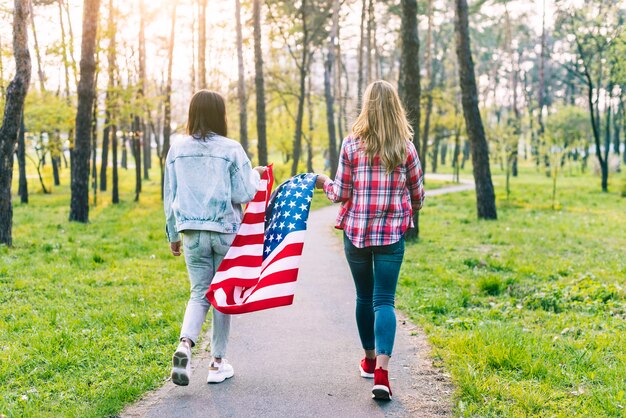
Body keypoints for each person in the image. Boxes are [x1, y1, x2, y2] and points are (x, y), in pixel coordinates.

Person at [316, 80, 425, 400]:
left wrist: (322, 181)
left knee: (365, 297)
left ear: (367, 107)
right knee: (384, 301)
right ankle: (382, 373)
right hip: (392, 235)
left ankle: (367, 358)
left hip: (358, 235)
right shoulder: (405, 147)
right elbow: (418, 193)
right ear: (396, 108)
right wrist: (408, 213)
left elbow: (341, 193)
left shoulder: (352, 145)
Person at [164, 90, 264, 386]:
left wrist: (172, 234)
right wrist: (255, 174)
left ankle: (185, 344)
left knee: (199, 293)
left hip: (191, 231)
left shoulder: (176, 150)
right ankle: (218, 363)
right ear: (220, 115)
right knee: (222, 295)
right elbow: (245, 192)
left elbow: (171, 195)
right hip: (225, 231)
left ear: (193, 113)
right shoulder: (231, 148)